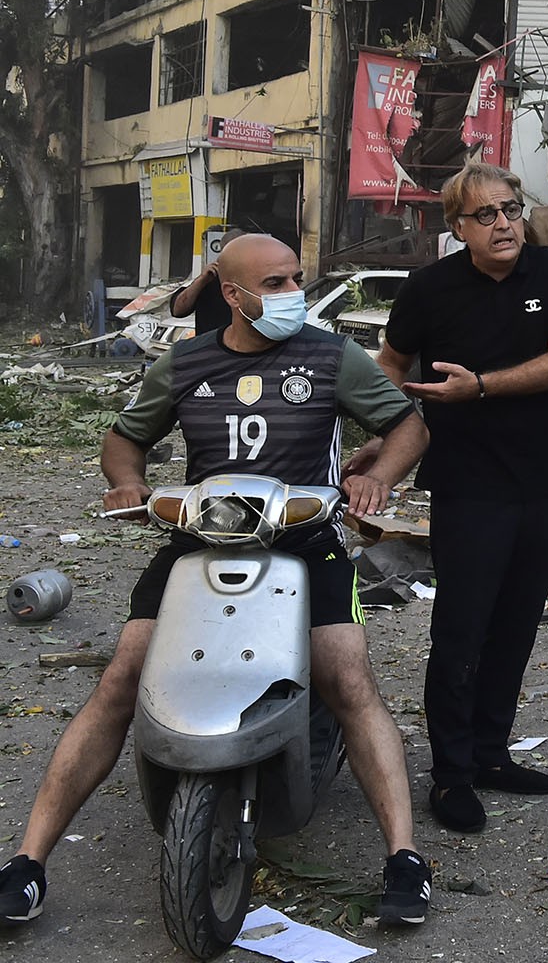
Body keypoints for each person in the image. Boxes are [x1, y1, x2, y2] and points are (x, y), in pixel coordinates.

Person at [0, 233, 434, 930]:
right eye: (275, 284)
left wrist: (377, 477)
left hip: (307, 542)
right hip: (198, 543)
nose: (292, 295)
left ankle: (405, 860)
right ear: (231, 295)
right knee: (122, 680)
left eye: (296, 280)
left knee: (348, 681)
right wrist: (127, 481)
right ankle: (27, 863)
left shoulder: (331, 357)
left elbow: (406, 425)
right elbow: (124, 438)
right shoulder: (186, 362)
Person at [374, 163, 548, 835]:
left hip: (541, 483)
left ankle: (494, 754)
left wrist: (483, 387)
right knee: (461, 631)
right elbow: (387, 365)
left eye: (511, 209)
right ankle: (451, 775)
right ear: (458, 228)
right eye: (487, 215)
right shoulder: (430, 288)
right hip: (468, 485)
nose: (504, 224)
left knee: (517, 626)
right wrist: (386, 436)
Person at [167, 251, 234, 338]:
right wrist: (202, 279)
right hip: (209, 345)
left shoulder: (252, 283)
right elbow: (177, 311)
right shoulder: (206, 282)